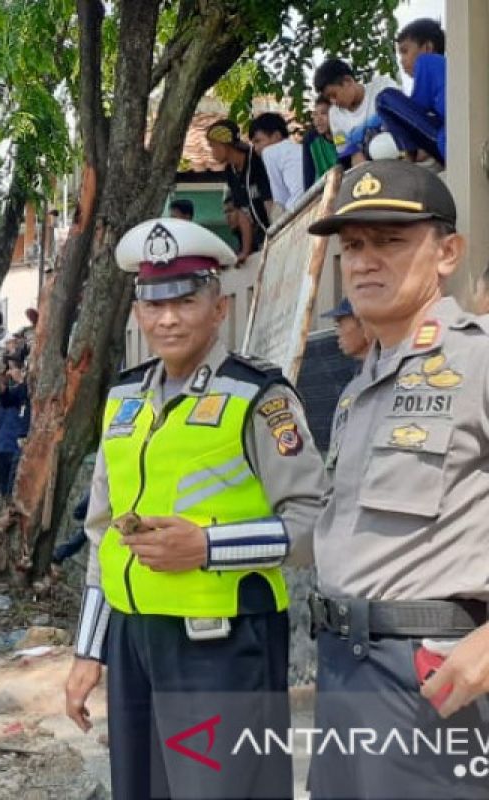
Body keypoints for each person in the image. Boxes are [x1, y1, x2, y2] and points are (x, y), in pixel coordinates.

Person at [63, 217, 325, 799]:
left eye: (185, 300)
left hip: (225, 645)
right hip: (135, 642)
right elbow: (104, 534)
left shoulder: (260, 397)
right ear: (137, 313)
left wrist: (207, 548)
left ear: (218, 308)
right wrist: (88, 650)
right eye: (154, 305)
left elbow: (312, 523)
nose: (169, 318)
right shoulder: (124, 401)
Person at [304, 160, 489, 798]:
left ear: (448, 252)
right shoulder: (360, 388)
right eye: (352, 246)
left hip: (433, 673)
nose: (364, 262)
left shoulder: (478, 359)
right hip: (344, 670)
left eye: (390, 241)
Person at [376, 17, 446, 165]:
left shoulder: (428, 62)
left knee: (384, 99)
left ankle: (408, 156)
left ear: (427, 47)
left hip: (448, 140)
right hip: (447, 137)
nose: (402, 60)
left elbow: (416, 108)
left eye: (405, 51)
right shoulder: (447, 69)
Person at [206, 119, 273, 265]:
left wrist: (277, 234)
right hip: (263, 238)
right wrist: (245, 251)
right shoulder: (230, 172)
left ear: (225, 144)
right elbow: (242, 213)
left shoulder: (257, 160)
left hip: (277, 231)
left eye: (213, 146)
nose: (212, 152)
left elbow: (270, 203)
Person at [313, 57, 397, 165]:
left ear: (348, 81)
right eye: (328, 98)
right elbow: (347, 150)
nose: (333, 102)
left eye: (334, 95)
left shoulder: (382, 88)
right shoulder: (334, 115)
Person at [0, 355, 30, 506]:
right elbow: (6, 400)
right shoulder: (16, 391)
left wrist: (21, 379)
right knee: (4, 488)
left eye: (13, 368)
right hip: (3, 446)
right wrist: (3, 384)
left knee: (15, 484)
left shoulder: (29, 387)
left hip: (21, 443)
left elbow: (28, 397)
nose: (11, 371)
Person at [248, 112, 305, 211]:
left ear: (277, 136)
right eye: (254, 144)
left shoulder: (270, 153)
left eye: (258, 141)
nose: (256, 149)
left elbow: (281, 200)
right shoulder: (298, 149)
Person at [302, 96, 339, 190]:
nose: (318, 120)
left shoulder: (343, 134)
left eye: (323, 113)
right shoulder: (310, 139)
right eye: (315, 114)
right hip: (324, 192)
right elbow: (308, 178)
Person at [320, 296, 371, 361]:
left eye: (340, 325)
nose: (337, 333)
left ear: (364, 325)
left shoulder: (384, 366)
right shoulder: (368, 367)